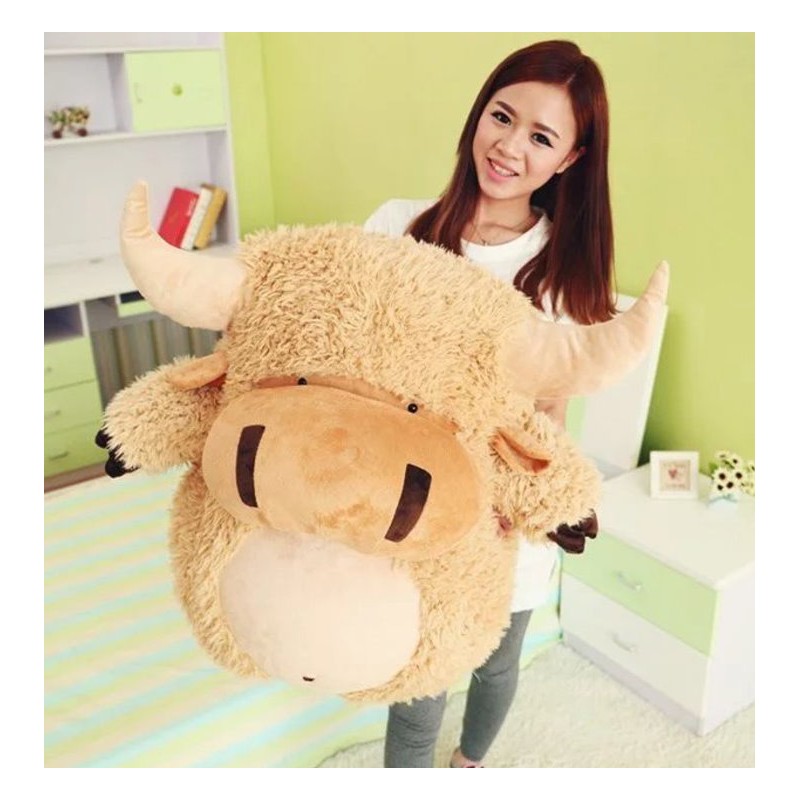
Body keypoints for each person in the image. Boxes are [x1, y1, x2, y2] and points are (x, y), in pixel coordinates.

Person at [362, 39, 615, 768]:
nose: (508, 147)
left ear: (570, 159)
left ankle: (470, 764)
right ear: (479, 114)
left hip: (502, 512)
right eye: (502, 118)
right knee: (417, 680)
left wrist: (518, 504)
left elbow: (548, 415)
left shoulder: (563, 274)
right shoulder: (398, 226)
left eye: (541, 137)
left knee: (497, 662)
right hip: (408, 497)